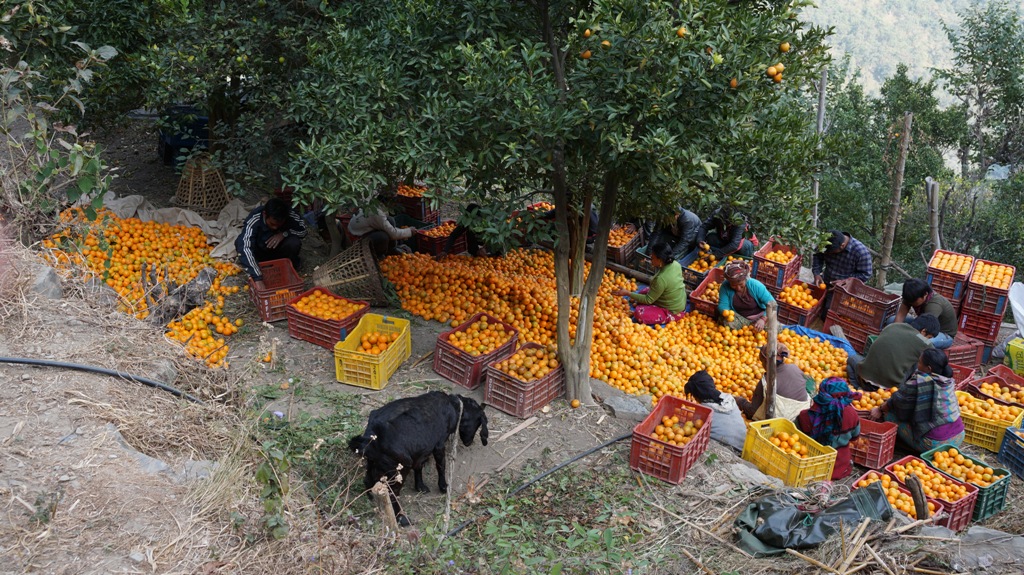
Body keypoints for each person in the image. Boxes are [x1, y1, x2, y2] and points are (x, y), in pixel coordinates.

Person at [869, 348, 965, 454]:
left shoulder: (918, 383)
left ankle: (911, 444)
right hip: (958, 436)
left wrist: (879, 409)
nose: (917, 364)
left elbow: (896, 402)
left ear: (928, 368)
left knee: (888, 413)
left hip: (935, 444)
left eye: (919, 362)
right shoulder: (947, 381)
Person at [847, 314, 939, 391]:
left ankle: (857, 387)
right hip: (891, 389)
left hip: (864, 379)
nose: (928, 340)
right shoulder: (924, 341)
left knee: (851, 359)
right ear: (923, 331)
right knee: (920, 360)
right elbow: (936, 357)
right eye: (929, 337)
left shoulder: (894, 326)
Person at [796, 377, 862, 480]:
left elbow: (797, 438)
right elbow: (855, 437)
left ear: (822, 394)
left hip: (814, 470)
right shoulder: (852, 414)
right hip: (841, 468)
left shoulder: (807, 416)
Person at [236, 197, 308, 290]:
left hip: (280, 253)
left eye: (278, 225)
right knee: (239, 242)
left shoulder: (291, 215)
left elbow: (304, 231)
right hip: (260, 253)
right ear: (265, 214)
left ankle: (289, 268)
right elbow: (245, 246)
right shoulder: (255, 218)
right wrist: (257, 278)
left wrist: (284, 234)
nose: (275, 228)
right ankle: (257, 267)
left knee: (293, 242)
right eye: (272, 224)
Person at [612, 241, 687, 325]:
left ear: (660, 260)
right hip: (679, 301)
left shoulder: (661, 279)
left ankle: (667, 315)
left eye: (653, 257)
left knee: (639, 313)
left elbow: (648, 300)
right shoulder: (676, 264)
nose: (650, 258)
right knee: (642, 293)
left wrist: (628, 293)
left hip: (673, 311)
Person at [737, 343, 814, 421]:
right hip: (804, 416)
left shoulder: (766, 381)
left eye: (762, 362)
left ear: (766, 362)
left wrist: (740, 401)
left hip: (785, 422)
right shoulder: (794, 367)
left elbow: (753, 412)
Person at [812, 230, 873, 318]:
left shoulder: (861, 252)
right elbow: (818, 256)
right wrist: (817, 273)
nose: (829, 254)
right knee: (812, 307)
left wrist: (845, 282)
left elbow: (865, 275)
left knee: (826, 315)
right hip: (824, 282)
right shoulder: (827, 240)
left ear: (842, 246)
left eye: (832, 253)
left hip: (843, 291)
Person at [684, 370, 747, 451]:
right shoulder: (729, 398)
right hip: (743, 448)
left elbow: (692, 432)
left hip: (727, 452)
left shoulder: (703, 411)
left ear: (696, 396)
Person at [347, 185, 415, 258]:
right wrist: (409, 231)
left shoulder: (375, 203)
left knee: (390, 220)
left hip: (366, 228)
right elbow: (393, 234)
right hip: (358, 237)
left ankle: (391, 250)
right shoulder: (376, 213)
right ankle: (378, 256)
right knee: (382, 237)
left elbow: (389, 227)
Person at [893, 279, 958, 349]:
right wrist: (894, 332)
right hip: (921, 324)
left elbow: (924, 330)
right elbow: (900, 316)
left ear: (925, 295)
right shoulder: (910, 296)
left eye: (914, 302)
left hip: (942, 334)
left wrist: (904, 337)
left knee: (922, 343)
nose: (911, 303)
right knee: (891, 321)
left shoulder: (934, 305)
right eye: (909, 302)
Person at [718, 260, 775, 332]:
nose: (738, 288)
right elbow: (723, 305)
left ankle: (748, 329)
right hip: (740, 318)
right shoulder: (725, 286)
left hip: (759, 316)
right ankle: (746, 330)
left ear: (746, 279)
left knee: (775, 328)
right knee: (727, 322)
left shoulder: (755, 285)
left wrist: (763, 319)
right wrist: (726, 313)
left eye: (741, 285)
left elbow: (772, 305)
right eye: (733, 285)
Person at [435, 203, 504, 260]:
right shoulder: (468, 222)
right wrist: (445, 251)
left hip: (492, 240)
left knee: (496, 250)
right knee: (469, 232)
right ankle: (476, 253)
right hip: (478, 238)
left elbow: (499, 237)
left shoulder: (490, 221)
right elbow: (454, 235)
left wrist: (486, 248)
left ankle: (494, 255)